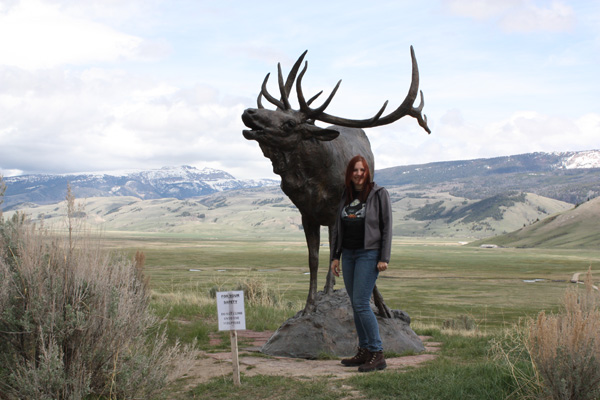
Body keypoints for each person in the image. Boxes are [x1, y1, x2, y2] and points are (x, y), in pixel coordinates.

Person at [330, 154, 392, 372]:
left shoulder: (379, 194)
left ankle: (377, 353)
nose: (358, 174)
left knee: (361, 303)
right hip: (348, 254)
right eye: (355, 170)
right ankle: (365, 350)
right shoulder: (345, 195)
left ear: (367, 172)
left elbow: (386, 227)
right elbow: (338, 228)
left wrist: (384, 257)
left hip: (369, 254)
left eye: (362, 170)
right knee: (356, 304)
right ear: (349, 173)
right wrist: (335, 256)